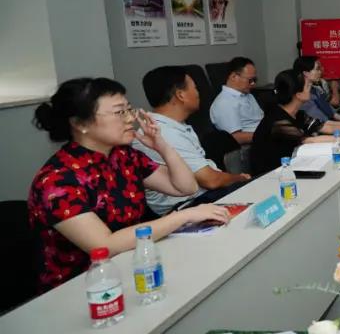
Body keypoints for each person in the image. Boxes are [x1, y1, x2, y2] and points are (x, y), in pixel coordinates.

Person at [28, 78, 231, 293]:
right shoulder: (56, 181)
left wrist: (162, 146)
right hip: (86, 287)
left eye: (129, 110)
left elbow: (185, 187)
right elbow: (105, 245)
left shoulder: (123, 156)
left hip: (134, 266)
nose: (130, 119)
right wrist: (184, 216)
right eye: (119, 112)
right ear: (80, 124)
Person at [133, 66, 251, 215]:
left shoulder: (173, 125)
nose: (198, 93)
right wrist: (239, 178)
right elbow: (210, 180)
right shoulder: (163, 132)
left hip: (200, 197)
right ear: (180, 95)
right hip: (186, 206)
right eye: (195, 88)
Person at [250, 69, 340, 175]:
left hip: (292, 167)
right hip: (271, 175)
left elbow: (326, 126)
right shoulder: (278, 121)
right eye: (308, 86)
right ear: (298, 95)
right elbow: (309, 141)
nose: (311, 88)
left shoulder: (298, 114)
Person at [292, 56, 340, 128]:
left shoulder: (316, 90)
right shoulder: (303, 97)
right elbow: (321, 123)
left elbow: (330, 111)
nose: (320, 72)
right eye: (317, 69)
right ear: (306, 73)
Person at [209, 56, 263, 144]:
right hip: (250, 145)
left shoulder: (248, 95)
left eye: (255, 80)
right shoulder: (224, 103)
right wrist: (266, 135)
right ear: (234, 77)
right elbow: (235, 137)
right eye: (250, 80)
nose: (253, 84)